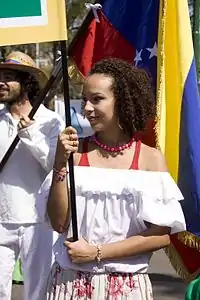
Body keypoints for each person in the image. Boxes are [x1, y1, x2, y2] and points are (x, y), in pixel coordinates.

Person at [45, 58, 186, 299]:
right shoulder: (75, 154)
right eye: (85, 99)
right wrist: (59, 164)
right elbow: (58, 223)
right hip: (69, 283)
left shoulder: (150, 159)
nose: (87, 108)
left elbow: (161, 235)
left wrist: (97, 253)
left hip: (127, 287)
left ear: (122, 101)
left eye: (97, 99)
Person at [0, 51, 64, 300]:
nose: (1, 82)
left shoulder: (50, 121)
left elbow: (54, 164)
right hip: (1, 218)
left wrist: (30, 135)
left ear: (26, 83)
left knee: (40, 290)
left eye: (8, 77)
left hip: (39, 221)